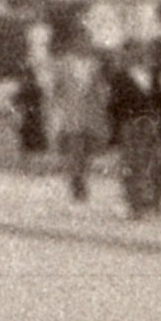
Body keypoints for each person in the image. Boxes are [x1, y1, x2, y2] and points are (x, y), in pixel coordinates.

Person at [47, 39, 107, 202]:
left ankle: (81, 176)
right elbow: (56, 90)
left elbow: (100, 90)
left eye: (85, 43)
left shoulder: (94, 66)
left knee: (87, 151)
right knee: (75, 149)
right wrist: (57, 111)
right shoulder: (63, 65)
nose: (83, 46)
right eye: (80, 42)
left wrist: (101, 106)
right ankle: (77, 183)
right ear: (74, 45)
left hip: (90, 115)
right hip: (71, 114)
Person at [115, 58, 161, 218]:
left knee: (158, 163)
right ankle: (135, 204)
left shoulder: (155, 76)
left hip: (152, 124)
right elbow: (115, 104)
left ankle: (156, 201)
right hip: (130, 124)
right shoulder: (122, 77)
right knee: (133, 163)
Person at [11, 62, 48, 169]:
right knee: (26, 140)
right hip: (27, 117)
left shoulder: (35, 89)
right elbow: (16, 104)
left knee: (35, 141)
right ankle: (27, 165)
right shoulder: (23, 90)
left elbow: (42, 103)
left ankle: (35, 165)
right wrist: (16, 115)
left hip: (34, 117)